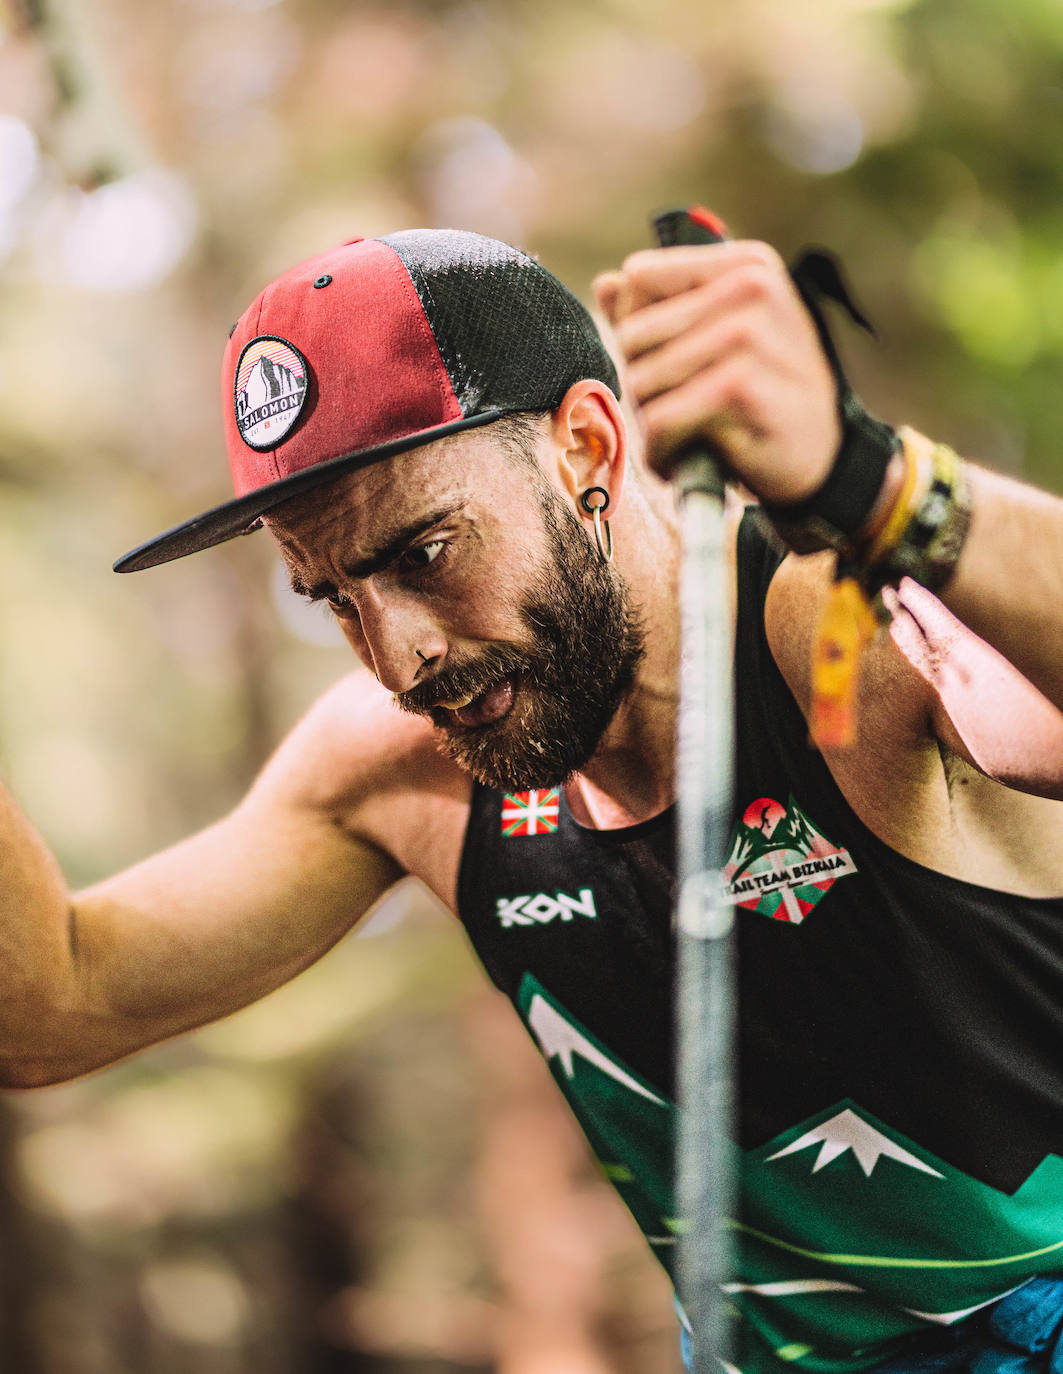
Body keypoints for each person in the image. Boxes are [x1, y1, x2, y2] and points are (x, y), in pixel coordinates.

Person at [4, 226, 1063, 1374]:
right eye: (334, 599)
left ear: (585, 447)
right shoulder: (394, 772)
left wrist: (876, 483)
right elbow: (49, 1010)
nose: (397, 658)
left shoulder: (841, 637)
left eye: (424, 554)